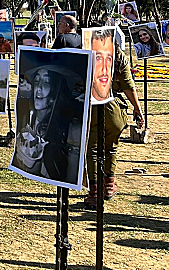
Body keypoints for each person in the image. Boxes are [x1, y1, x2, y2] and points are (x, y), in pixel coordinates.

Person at [85, 31, 144, 206]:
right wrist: (137, 108)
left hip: (93, 106)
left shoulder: (89, 55)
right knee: (111, 148)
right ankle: (108, 186)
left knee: (93, 150)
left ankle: (95, 193)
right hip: (114, 110)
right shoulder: (119, 56)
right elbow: (128, 85)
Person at [13, 64, 82, 182]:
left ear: (56, 89)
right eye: (37, 81)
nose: (39, 88)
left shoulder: (70, 128)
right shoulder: (27, 117)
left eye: (46, 82)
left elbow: (70, 178)